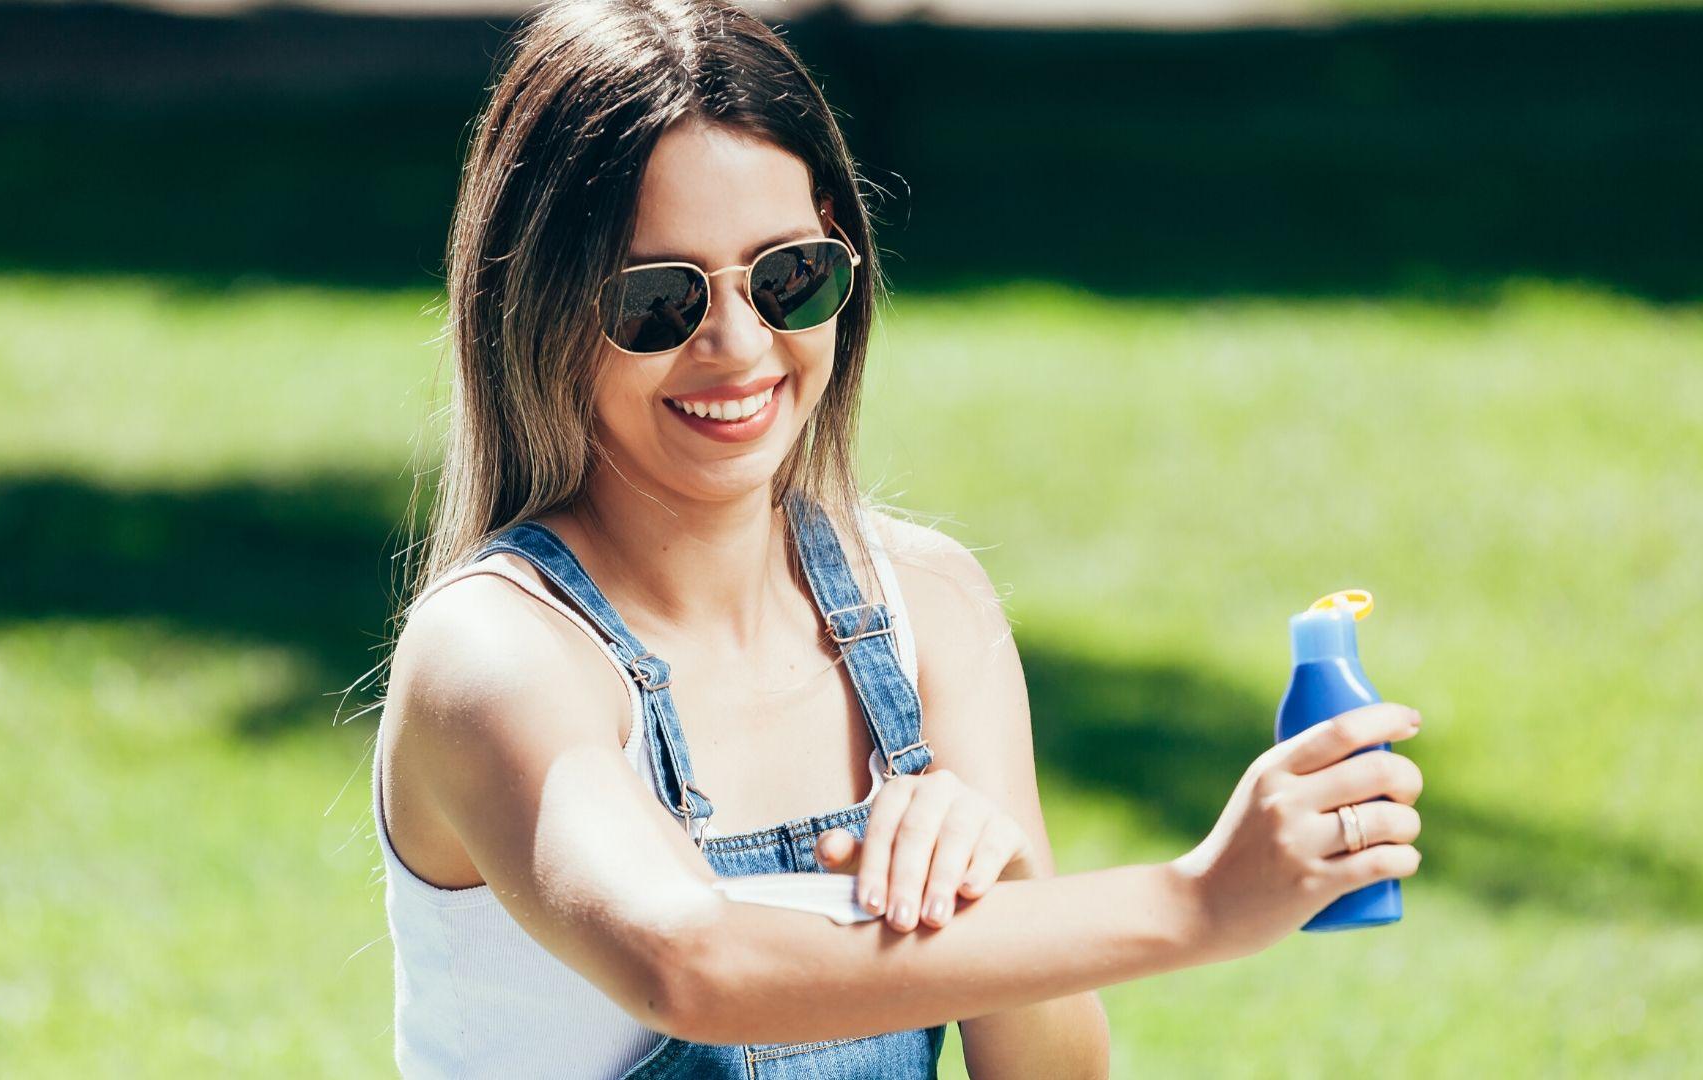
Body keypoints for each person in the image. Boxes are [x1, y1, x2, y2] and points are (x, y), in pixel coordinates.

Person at [371, 2, 1427, 1077]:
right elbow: (691, 965)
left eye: (787, 276)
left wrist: (1000, 885)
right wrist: (1197, 901)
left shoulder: (930, 608)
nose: (738, 346)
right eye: (658, 300)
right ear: (540, 310)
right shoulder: (498, 653)